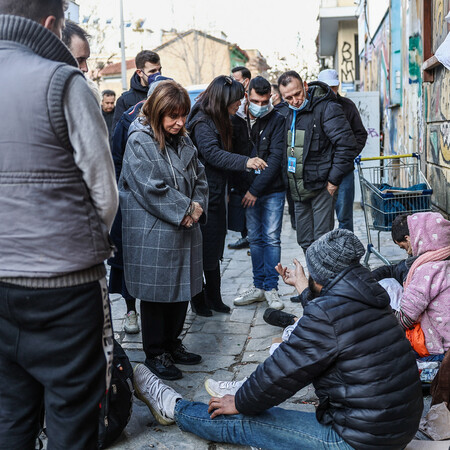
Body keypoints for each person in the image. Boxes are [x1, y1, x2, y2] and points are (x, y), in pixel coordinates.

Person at [132, 229, 423, 450]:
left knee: (246, 422)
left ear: (321, 276)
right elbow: (334, 325)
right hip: (397, 426)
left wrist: (241, 401)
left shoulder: (329, 315)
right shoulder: (370, 295)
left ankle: (173, 406)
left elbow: (282, 371)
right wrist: (303, 288)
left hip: (361, 441)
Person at [0, 1, 118, 448]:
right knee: (73, 416)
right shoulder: (63, 81)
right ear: (52, 24)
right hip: (64, 286)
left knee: (10, 414)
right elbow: (105, 196)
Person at [119, 80, 208, 381]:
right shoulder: (139, 139)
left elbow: (200, 176)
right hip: (154, 228)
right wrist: (185, 210)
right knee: (157, 294)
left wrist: (196, 207)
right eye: (173, 116)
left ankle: (172, 343)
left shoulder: (183, 139)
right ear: (158, 113)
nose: (180, 122)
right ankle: (156, 352)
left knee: (181, 288)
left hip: (185, 226)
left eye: (183, 115)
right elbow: (150, 187)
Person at [186, 75, 267, 316]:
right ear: (223, 100)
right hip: (202, 195)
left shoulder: (225, 120)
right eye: (237, 101)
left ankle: (214, 297)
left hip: (218, 194)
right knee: (201, 249)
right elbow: (212, 154)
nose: (240, 105)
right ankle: (199, 300)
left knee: (214, 246)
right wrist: (246, 162)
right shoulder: (202, 122)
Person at [108, 76, 172, 335]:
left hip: (160, 199)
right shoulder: (130, 120)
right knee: (127, 258)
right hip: (131, 200)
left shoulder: (173, 121)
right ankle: (130, 310)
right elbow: (117, 158)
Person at [278, 70, 357, 256]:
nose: (295, 100)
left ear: (305, 86)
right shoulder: (285, 113)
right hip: (297, 188)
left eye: (297, 94)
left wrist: (333, 181)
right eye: (288, 98)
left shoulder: (327, 107)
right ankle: (315, 280)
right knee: (305, 240)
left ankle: (325, 283)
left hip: (322, 186)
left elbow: (346, 144)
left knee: (323, 241)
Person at [230, 76, 286, 310]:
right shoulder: (236, 120)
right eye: (255, 101)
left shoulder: (277, 119)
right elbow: (234, 156)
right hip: (246, 190)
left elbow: (274, 160)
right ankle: (258, 286)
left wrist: (254, 189)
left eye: (264, 102)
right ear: (247, 96)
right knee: (255, 239)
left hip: (272, 189)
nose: (260, 106)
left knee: (271, 238)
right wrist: (245, 188)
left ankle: (271, 288)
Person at [318, 69, 368, 232]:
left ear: (338, 85)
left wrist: (348, 155)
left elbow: (360, 133)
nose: (330, 91)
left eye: (333, 87)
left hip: (345, 171)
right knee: (323, 220)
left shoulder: (348, 105)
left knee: (345, 217)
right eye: (327, 87)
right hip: (321, 171)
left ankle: (348, 255)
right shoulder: (314, 107)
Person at [395, 211, 450, 356]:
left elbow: (406, 318)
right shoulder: (444, 260)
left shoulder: (427, 270)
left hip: (442, 347)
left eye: (404, 247)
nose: (408, 253)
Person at [228, 65, 253, 250]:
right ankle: (246, 235)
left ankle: (253, 237)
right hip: (238, 163)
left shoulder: (254, 100)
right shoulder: (232, 109)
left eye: (236, 80)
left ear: (245, 81)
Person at [113, 50, 161, 128]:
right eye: (152, 71)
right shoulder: (124, 101)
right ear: (139, 72)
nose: (157, 74)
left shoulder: (166, 94)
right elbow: (118, 135)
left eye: (159, 70)